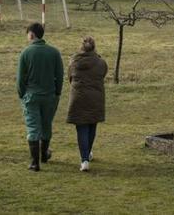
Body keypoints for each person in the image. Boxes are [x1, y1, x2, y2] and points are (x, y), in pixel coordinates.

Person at [17, 22, 63, 171]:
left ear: (31, 34)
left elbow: (20, 79)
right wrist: (57, 92)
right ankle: (44, 154)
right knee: (46, 125)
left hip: (31, 96)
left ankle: (34, 162)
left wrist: (22, 94)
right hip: (49, 96)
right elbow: (59, 76)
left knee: (33, 127)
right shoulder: (54, 52)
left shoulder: (26, 53)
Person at [66, 35, 107, 172]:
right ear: (94, 47)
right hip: (96, 97)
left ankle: (84, 159)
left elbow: (70, 78)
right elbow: (103, 74)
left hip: (78, 97)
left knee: (82, 128)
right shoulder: (101, 63)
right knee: (92, 125)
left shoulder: (73, 62)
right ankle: (87, 153)